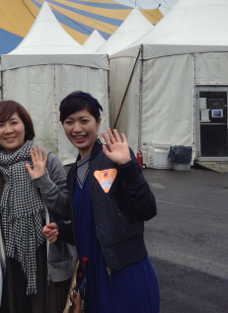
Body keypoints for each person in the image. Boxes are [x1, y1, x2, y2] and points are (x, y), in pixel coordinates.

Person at [43, 91, 160, 313]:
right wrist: (62, 230)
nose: (77, 128)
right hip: (92, 274)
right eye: (69, 122)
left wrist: (127, 166)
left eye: (84, 120)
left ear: (98, 123)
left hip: (123, 271)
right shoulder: (73, 173)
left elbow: (147, 209)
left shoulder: (116, 158)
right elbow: (90, 225)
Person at [0, 100, 75, 313]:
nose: (8, 130)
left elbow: (67, 210)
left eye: (13, 122)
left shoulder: (47, 161)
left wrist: (43, 180)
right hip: (10, 263)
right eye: (0, 125)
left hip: (47, 262)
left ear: (25, 126)